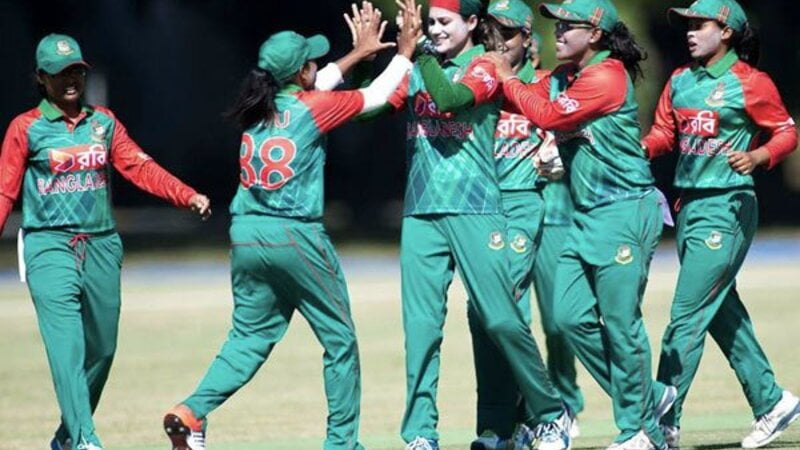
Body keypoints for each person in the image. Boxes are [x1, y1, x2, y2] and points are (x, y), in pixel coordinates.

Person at [161, 4, 421, 450]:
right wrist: (406, 52)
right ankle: (342, 445)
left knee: (249, 337)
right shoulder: (311, 109)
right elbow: (377, 96)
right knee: (340, 342)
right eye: (311, 61)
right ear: (300, 73)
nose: (317, 65)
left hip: (246, 234)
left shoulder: (256, 108)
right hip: (294, 236)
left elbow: (315, 85)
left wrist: (356, 56)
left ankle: (192, 412)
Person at [0, 34, 211, 450]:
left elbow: (139, 167)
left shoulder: (104, 122)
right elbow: (5, 191)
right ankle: (85, 440)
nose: (71, 80)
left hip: (101, 244)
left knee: (102, 349)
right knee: (67, 348)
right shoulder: (26, 127)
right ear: (41, 78)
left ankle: (66, 438)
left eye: (76, 71)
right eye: (60, 74)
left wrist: (186, 195)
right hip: (49, 246)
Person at [485, 0, 678, 448]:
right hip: (586, 213)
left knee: (621, 324)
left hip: (624, 208)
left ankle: (641, 431)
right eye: (555, 25)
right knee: (569, 318)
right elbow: (525, 95)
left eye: (568, 26)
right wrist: (488, 69)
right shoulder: (563, 76)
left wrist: (507, 76)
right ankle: (651, 397)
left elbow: (548, 115)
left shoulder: (606, 76)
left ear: (594, 34)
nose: (558, 32)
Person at [389, 1, 573, 449]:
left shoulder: (490, 67)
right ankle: (429, 434)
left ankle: (550, 414)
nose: (434, 29)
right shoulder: (424, 67)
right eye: (430, 22)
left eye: (444, 22)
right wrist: (366, 60)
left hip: (487, 206)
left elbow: (452, 101)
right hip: (426, 208)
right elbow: (374, 104)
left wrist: (420, 52)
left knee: (497, 317)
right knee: (422, 328)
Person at [642, 1, 799, 448]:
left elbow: (786, 131)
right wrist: (637, 149)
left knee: (686, 316)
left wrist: (758, 156)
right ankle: (771, 402)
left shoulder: (750, 82)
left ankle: (662, 424)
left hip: (728, 206)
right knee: (721, 311)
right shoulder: (679, 80)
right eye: (688, 25)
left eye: (700, 24)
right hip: (689, 206)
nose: (690, 32)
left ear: (726, 31)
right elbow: (664, 134)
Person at [461, 1, 576, 449]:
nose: (496, 42)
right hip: (476, 209)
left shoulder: (546, 83)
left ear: (528, 39)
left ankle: (550, 412)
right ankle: (501, 424)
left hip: (521, 203)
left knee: (500, 308)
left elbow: (580, 121)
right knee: (480, 315)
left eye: (507, 34)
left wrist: (560, 149)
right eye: (490, 32)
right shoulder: (474, 80)